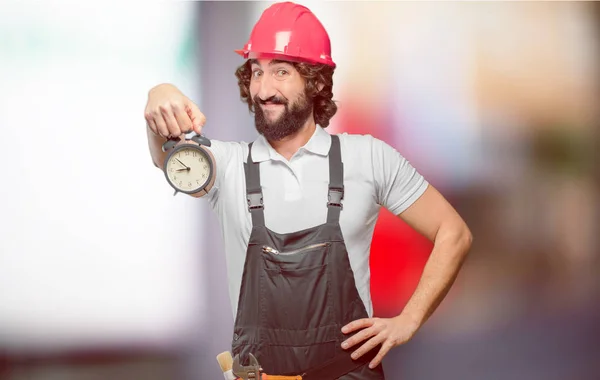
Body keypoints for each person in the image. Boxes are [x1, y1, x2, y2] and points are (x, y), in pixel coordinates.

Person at [144, 2, 472, 379]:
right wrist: (158, 97)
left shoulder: (368, 158)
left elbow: (454, 233)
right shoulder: (230, 167)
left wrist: (409, 320)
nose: (264, 88)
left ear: (315, 82)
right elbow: (166, 157)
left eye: (280, 71)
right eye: (256, 72)